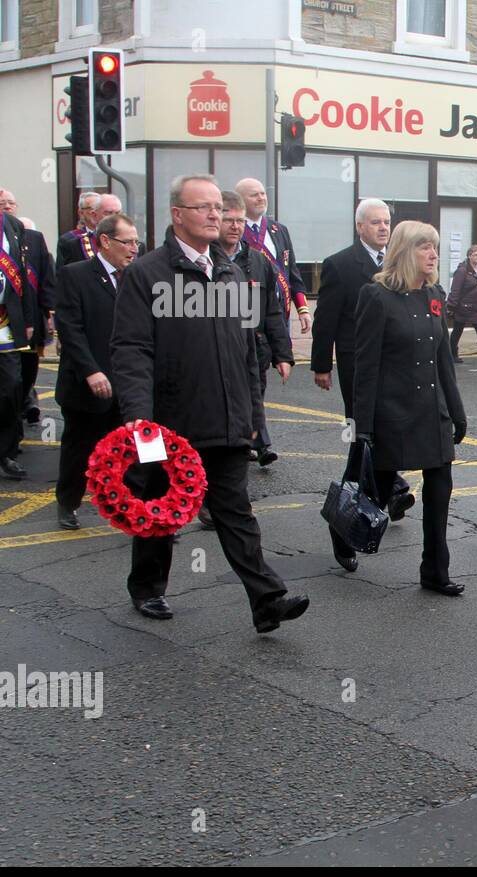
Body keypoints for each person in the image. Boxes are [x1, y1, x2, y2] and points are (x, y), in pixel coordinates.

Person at [110, 173, 310, 633]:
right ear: (177, 215)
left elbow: (245, 354)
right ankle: (147, 588)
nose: (215, 215)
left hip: (227, 419)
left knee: (235, 511)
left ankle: (266, 600)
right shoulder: (147, 274)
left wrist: (254, 418)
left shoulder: (231, 271)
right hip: (170, 423)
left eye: (218, 208)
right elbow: (131, 351)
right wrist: (140, 422)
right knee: (161, 509)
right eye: (204, 208)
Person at [345, 221, 467, 591]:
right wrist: (361, 426)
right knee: (376, 493)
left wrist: (457, 412)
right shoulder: (375, 295)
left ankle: (435, 572)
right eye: (423, 247)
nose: (433, 254)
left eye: (435, 247)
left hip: (432, 412)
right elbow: (365, 365)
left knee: (439, 490)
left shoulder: (433, 294)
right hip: (392, 411)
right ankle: (343, 533)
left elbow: (443, 358)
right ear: (403, 252)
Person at [311, 199, 414, 522]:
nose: (383, 228)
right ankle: (359, 503)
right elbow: (325, 319)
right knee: (362, 432)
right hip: (358, 365)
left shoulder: (399, 264)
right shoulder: (340, 265)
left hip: (394, 363)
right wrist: (321, 364)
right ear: (360, 227)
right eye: (375, 222)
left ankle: (388, 489)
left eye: (386, 222)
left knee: (389, 427)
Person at [52, 212, 137, 529]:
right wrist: (91, 371)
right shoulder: (76, 275)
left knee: (133, 451)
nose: (133, 248)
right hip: (87, 383)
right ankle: (68, 502)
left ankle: (134, 510)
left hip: (128, 383)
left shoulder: (136, 276)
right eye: (127, 242)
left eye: (135, 242)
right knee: (80, 447)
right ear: (105, 241)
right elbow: (70, 329)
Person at [218, 191, 293, 469]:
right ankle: (253, 446)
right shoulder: (207, 260)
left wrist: (282, 355)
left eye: (239, 221)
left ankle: (256, 444)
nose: (235, 226)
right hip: (220, 347)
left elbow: (272, 311)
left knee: (253, 398)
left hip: (255, 346)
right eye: (229, 220)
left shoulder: (259, 262)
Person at [234, 178, 310, 335]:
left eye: (263, 193)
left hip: (280, 310)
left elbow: (292, 272)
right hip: (247, 311)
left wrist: (302, 309)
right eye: (254, 195)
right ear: (240, 200)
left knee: (282, 357)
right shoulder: (233, 231)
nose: (261, 198)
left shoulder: (279, 229)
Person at [0, 207, 39, 479]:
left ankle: (5, 451)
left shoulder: (12, 224)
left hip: (5, 321)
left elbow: (22, 276)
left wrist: (27, 317)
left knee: (11, 386)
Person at [17, 210, 57, 427]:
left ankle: (26, 400)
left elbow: (47, 282)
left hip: (32, 320)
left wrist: (48, 313)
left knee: (29, 366)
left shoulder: (38, 248)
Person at [57, 193, 120, 270]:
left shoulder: (127, 239)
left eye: (117, 213)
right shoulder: (72, 241)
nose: (113, 217)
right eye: (91, 208)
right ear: (81, 212)